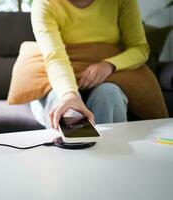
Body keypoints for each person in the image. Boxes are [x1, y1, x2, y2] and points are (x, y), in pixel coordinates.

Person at [30, 0, 150, 130]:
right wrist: (69, 95)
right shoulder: (44, 3)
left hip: (107, 79)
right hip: (60, 78)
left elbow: (140, 48)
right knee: (61, 104)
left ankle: (111, 149)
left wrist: (109, 65)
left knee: (110, 94)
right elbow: (56, 58)